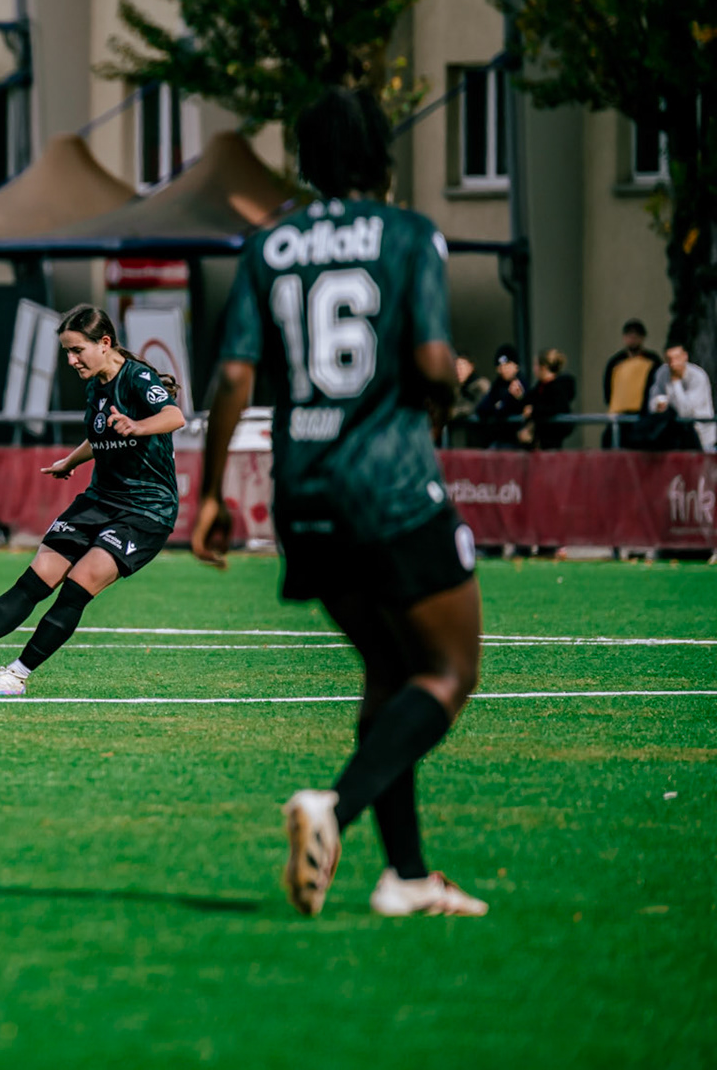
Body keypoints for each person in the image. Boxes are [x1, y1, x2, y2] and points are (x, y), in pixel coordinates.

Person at [193, 86, 487, 919]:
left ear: (307, 161)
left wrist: (211, 494)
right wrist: (450, 392)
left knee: (390, 672)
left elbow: (235, 375)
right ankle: (335, 810)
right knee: (450, 672)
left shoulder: (269, 244)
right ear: (381, 156)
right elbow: (432, 364)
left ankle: (406, 877)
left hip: (304, 492)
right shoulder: (407, 234)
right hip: (389, 485)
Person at [0, 305, 184, 695]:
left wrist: (138, 426)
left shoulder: (138, 378)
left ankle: (16, 674)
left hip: (146, 510)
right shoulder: (96, 385)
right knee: (36, 579)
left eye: (77, 351)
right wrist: (72, 459)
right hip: (100, 499)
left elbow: (174, 416)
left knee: (78, 584)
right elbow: (103, 433)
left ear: (104, 343)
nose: (71, 360)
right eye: (66, 352)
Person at [602, 318, 661, 445]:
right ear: (624, 337)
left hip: (643, 417)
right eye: (629, 335)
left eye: (636, 335)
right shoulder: (615, 362)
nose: (632, 338)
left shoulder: (652, 361)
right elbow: (608, 389)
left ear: (642, 338)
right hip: (619, 416)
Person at [648, 344, 716, 453]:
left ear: (685, 356)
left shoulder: (698, 377)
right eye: (669, 359)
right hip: (675, 437)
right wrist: (657, 405)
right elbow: (652, 401)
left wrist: (675, 382)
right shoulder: (662, 373)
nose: (673, 363)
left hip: (701, 437)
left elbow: (685, 412)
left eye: (677, 358)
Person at [517, 349, 576, 450]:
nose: (533, 369)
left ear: (543, 368)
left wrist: (533, 411)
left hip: (552, 440)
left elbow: (556, 407)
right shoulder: (540, 386)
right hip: (541, 441)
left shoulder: (558, 387)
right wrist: (520, 397)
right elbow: (530, 401)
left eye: (535, 365)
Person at [472, 345, 528, 448]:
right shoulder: (498, 385)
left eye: (507, 365)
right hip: (498, 438)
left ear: (516, 366)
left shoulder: (520, 384)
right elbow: (482, 408)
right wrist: (498, 407)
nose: (503, 369)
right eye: (500, 366)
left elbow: (507, 409)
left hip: (516, 441)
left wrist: (501, 405)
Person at [449, 351, 489, 446]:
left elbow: (474, 406)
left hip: (477, 438)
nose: (459, 370)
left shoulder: (480, 386)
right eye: (456, 366)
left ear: (471, 367)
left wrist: (452, 412)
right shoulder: (456, 389)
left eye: (462, 366)